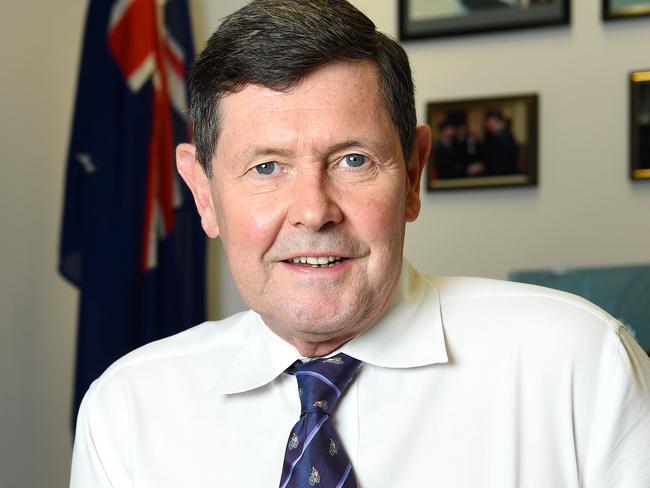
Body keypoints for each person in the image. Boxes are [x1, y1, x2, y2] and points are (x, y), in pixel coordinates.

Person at [70, 1, 650, 487]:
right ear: (202, 192)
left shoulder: (580, 365)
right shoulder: (128, 411)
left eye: (353, 160)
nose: (315, 211)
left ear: (414, 174)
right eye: (267, 167)